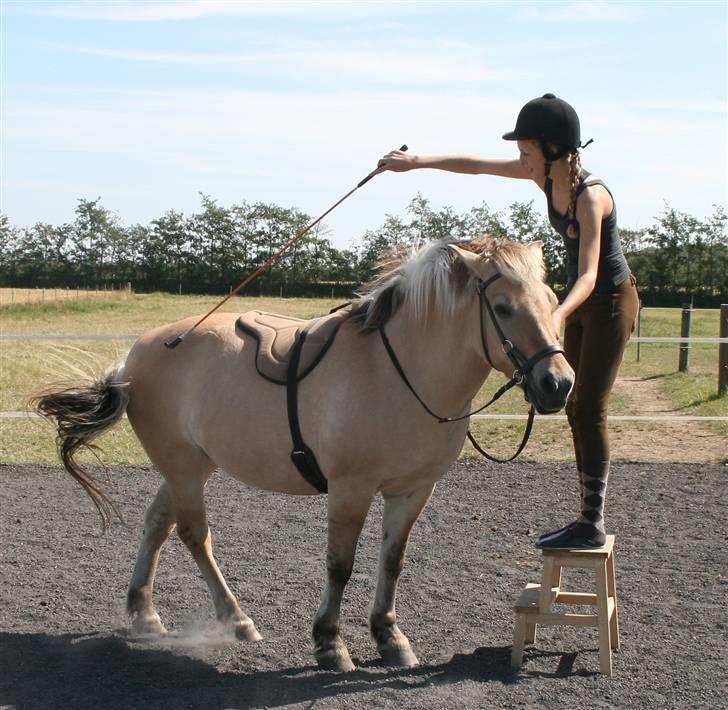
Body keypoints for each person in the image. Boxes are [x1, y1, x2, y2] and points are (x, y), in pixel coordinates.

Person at [376, 93, 639, 549]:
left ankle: (591, 523)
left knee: (588, 407)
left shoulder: (590, 197)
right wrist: (415, 161)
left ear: (552, 150)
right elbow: (476, 164)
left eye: (526, 149)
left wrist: (555, 312)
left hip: (611, 301)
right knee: (572, 404)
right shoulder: (541, 176)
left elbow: (590, 274)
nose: (520, 158)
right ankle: (586, 518)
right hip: (578, 304)